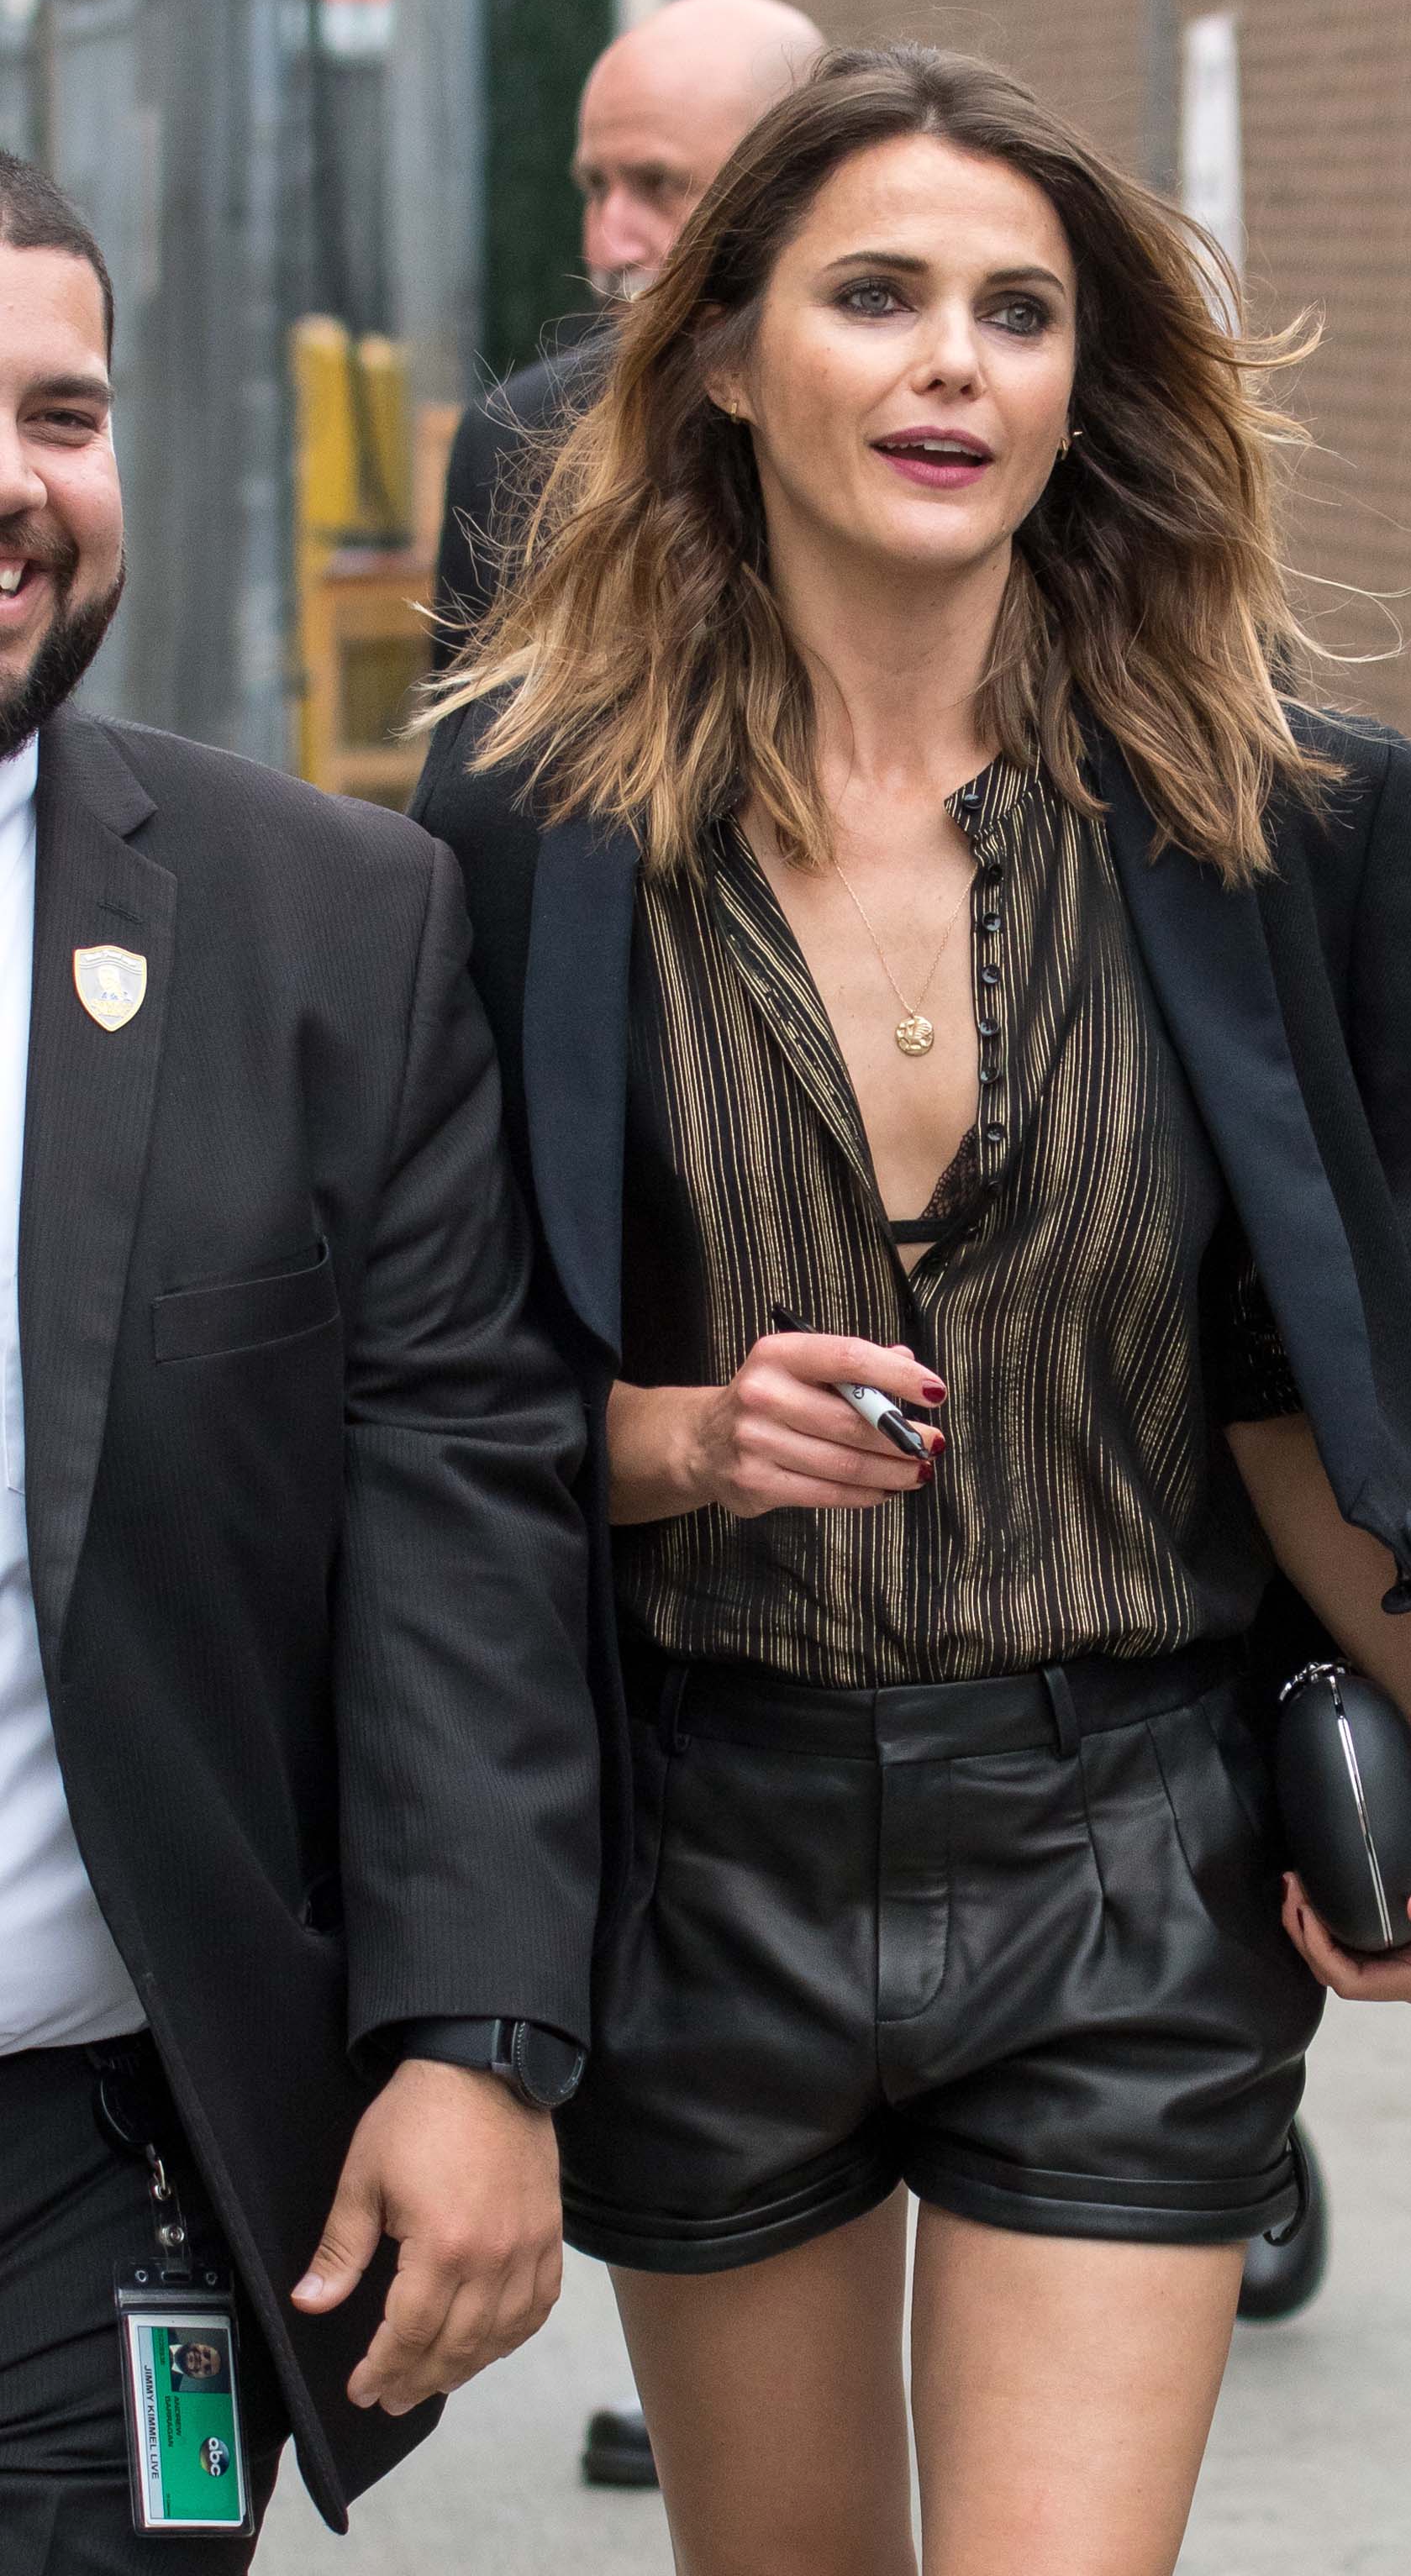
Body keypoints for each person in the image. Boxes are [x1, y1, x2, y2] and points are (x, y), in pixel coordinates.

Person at [415, 45, 1411, 2576]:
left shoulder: (1281, 822)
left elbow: (1307, 1369)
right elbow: (439, 1398)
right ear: (715, 353)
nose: (953, 363)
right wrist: (679, 1438)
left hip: (1123, 1846)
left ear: (1080, 385)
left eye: (1019, 313)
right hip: (702, 1842)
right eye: (877, 295)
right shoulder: (528, 826)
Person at [0, 155, 602, 2570]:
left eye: (65, 411)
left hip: (73, 2186)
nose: (19, 486)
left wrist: (471, 2040)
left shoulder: (322, 931)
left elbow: (456, 1496)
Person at [430, 0, 824, 669]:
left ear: (797, 190)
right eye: (594, 188)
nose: (609, 246)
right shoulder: (515, 445)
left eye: (658, 185)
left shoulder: (903, 430)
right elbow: (472, 763)